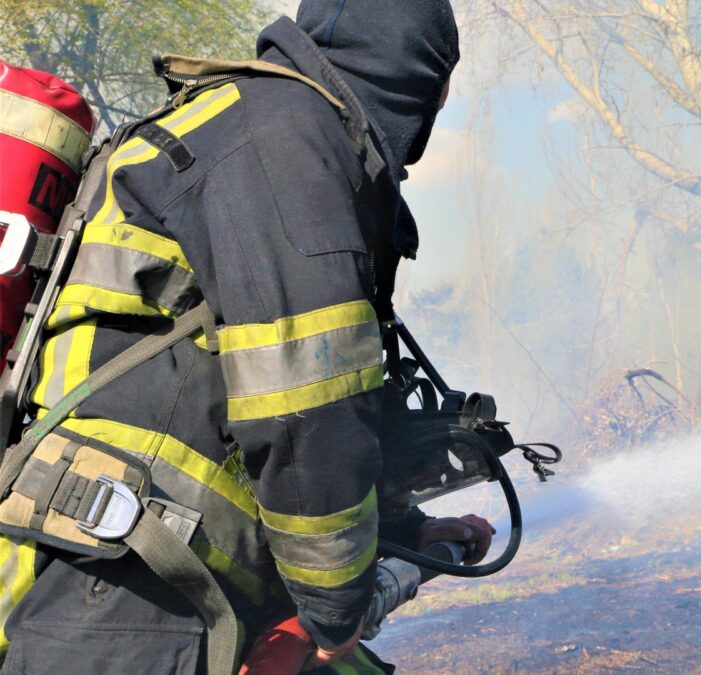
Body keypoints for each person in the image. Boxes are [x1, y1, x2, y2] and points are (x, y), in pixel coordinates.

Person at [0, 1, 493, 672]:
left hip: (143, 585)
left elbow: (249, 396)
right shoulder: (288, 133)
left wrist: (403, 531)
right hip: (125, 599)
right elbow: (305, 399)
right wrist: (333, 607)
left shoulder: (253, 126)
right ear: (423, 79)